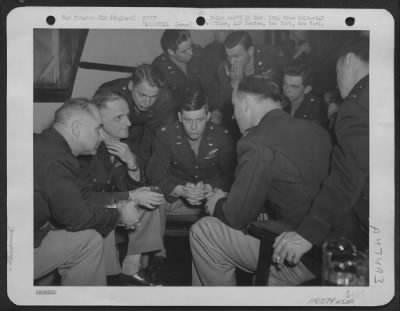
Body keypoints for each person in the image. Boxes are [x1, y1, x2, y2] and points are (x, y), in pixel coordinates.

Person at [190, 75, 332, 286]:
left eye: (235, 107)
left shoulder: (256, 141)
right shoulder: (317, 130)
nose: (234, 116)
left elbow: (236, 216)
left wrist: (217, 203)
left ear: (245, 104)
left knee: (203, 230)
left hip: (298, 258)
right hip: (328, 250)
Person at [272, 37, 370, 267]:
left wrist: (309, 233)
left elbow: (348, 176)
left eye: (337, 71)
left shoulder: (356, 106)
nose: (337, 83)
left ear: (348, 60)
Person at [34, 98, 141, 286]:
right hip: (16, 252)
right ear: (77, 128)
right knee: (88, 240)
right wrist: (120, 215)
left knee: (89, 239)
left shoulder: (45, 145)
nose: (100, 136)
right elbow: (77, 218)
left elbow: (81, 199)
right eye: (97, 129)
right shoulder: (56, 159)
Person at [79, 91, 167, 286]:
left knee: (153, 195)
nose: (128, 122)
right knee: (133, 200)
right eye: (119, 117)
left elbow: (131, 186)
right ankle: (113, 277)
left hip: (109, 204)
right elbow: (86, 198)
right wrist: (127, 198)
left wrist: (131, 164)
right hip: (89, 210)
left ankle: (132, 266)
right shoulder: (86, 149)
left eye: (127, 115)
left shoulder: (120, 145)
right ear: (99, 121)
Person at [146, 90, 236, 218]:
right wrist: (181, 190)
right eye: (188, 120)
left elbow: (230, 175)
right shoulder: (166, 135)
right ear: (179, 117)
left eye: (199, 120)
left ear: (208, 116)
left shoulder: (222, 136)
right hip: (175, 196)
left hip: (211, 195)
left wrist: (209, 188)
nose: (194, 127)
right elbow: (155, 173)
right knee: (150, 203)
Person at [95, 64, 176, 166]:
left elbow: (154, 137)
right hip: (111, 133)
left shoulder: (164, 99)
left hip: (141, 134)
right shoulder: (110, 93)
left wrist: (138, 165)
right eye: (142, 95)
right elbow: (100, 131)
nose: (147, 102)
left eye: (153, 96)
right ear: (131, 85)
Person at [216, 30, 290, 139]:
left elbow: (290, 82)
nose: (232, 62)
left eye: (236, 56)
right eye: (228, 56)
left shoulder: (271, 55)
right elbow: (227, 107)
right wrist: (236, 83)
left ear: (250, 51)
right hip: (247, 124)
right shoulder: (224, 70)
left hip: (277, 114)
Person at [152, 30, 203, 107]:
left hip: (200, 105)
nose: (191, 53)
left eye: (191, 46)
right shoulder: (159, 67)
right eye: (185, 51)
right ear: (171, 52)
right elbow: (161, 102)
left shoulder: (198, 52)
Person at [199, 30, 231, 125]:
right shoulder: (208, 52)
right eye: (222, 30)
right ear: (214, 31)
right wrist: (217, 108)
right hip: (220, 106)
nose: (226, 32)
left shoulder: (237, 46)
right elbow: (208, 84)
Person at [282, 63, 328, 128]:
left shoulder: (315, 112)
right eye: (285, 84)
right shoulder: (284, 105)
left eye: (294, 87)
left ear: (307, 89)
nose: (287, 90)